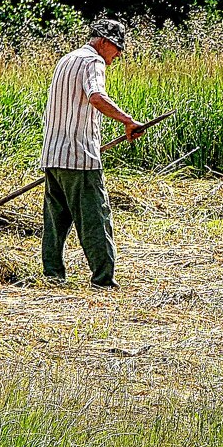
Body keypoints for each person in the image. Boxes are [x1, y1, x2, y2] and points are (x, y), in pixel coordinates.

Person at [39, 19, 144, 289]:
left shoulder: (67, 59)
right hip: (79, 157)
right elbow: (96, 96)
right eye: (117, 48)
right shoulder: (92, 62)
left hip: (53, 155)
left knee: (55, 222)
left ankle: (53, 276)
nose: (118, 55)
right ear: (104, 41)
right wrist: (127, 121)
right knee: (95, 218)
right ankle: (103, 280)